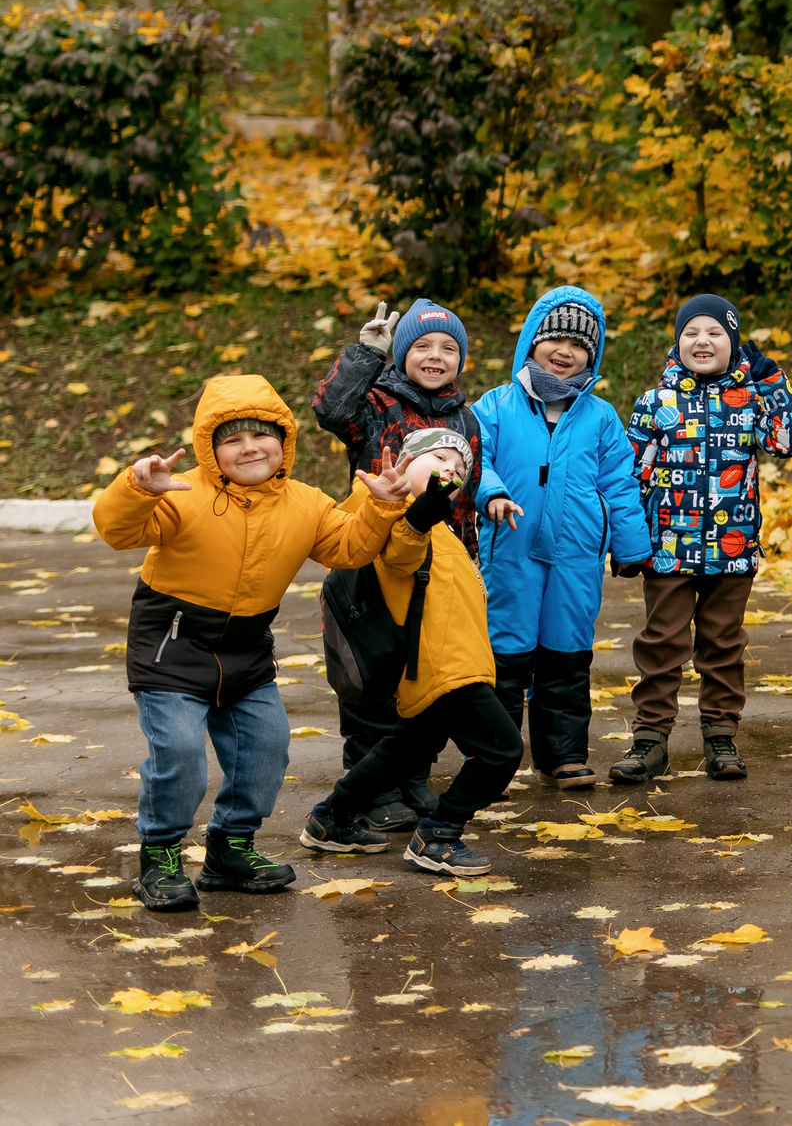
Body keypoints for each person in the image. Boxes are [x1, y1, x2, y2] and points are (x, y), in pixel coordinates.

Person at [91, 375, 401, 911]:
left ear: (285, 441)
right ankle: (160, 855)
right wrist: (137, 488)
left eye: (263, 435)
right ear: (211, 451)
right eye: (231, 439)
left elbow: (348, 548)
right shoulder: (181, 494)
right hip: (172, 643)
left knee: (266, 749)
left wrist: (381, 508)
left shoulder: (305, 503)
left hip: (246, 649)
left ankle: (231, 850)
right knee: (181, 753)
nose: (249, 447)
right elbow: (116, 531)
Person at [298, 430, 521, 876]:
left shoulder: (441, 527)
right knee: (502, 750)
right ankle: (439, 833)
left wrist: (426, 518)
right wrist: (416, 517)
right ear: (404, 462)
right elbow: (398, 554)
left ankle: (331, 819)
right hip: (443, 665)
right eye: (439, 457)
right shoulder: (390, 514)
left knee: (402, 751)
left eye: (461, 467)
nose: (451, 469)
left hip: (446, 662)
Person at [613, 294, 792, 784]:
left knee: (723, 645)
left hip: (732, 546)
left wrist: (771, 379)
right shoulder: (655, 403)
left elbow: (791, 441)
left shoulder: (751, 399)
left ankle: (720, 737)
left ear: (734, 342)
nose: (702, 341)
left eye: (715, 333)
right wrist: (629, 540)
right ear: (677, 343)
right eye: (691, 333)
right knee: (661, 643)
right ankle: (650, 741)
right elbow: (628, 475)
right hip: (669, 550)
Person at [311, 297, 487, 834]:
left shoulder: (465, 415)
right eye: (423, 346)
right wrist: (367, 354)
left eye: (449, 348)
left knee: (422, 674)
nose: (436, 356)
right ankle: (372, 785)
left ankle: (412, 778)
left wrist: (471, 561)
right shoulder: (375, 404)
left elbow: (466, 494)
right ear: (404, 352)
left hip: (437, 566)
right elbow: (330, 410)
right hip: (373, 558)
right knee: (375, 677)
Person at [471, 287, 650, 790]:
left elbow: (619, 481)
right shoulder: (498, 406)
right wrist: (493, 494)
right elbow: (474, 458)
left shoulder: (600, 416)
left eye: (579, 345)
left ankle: (564, 754)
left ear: (592, 356)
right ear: (531, 342)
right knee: (506, 653)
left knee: (567, 653)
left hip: (576, 556)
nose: (565, 351)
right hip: (510, 548)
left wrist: (631, 544)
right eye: (556, 339)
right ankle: (495, 758)